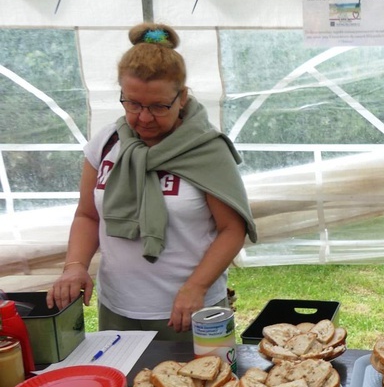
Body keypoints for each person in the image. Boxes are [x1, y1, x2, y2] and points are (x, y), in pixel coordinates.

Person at [46, 22, 257, 341]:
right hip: (117, 308)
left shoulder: (207, 150)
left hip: (188, 311)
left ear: (182, 97)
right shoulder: (106, 143)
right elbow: (88, 216)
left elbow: (232, 230)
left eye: (158, 106)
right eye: (132, 103)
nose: (144, 117)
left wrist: (196, 286)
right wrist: (75, 264)